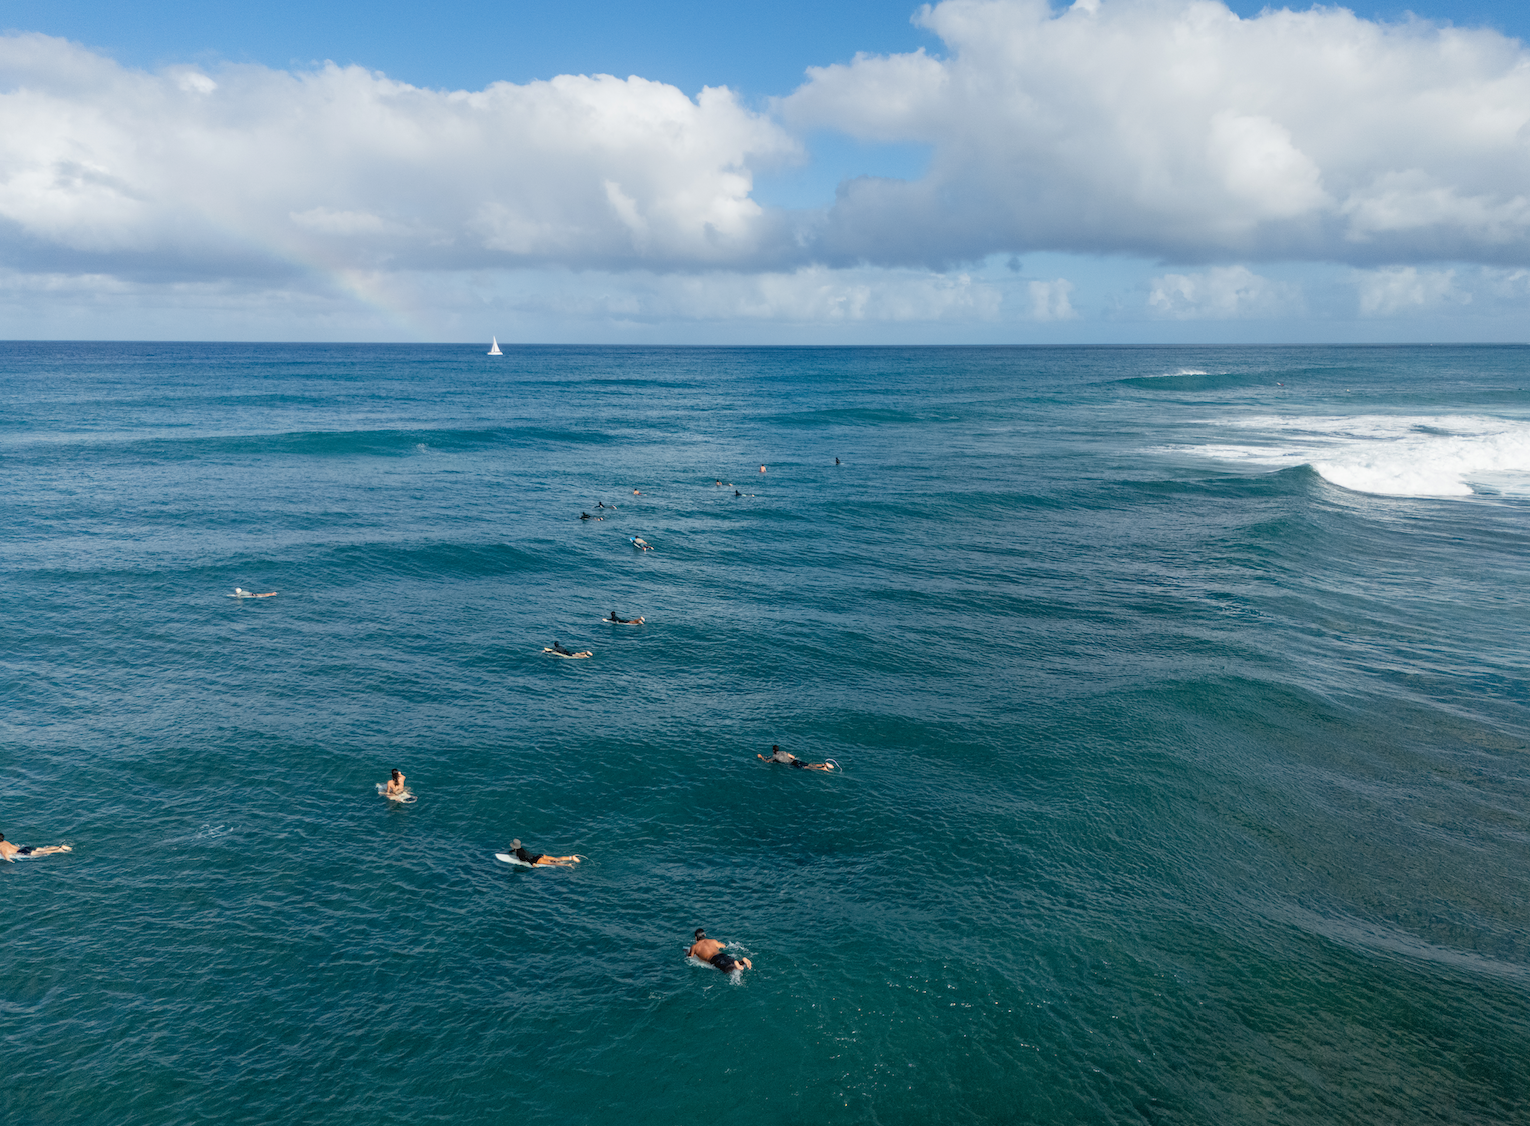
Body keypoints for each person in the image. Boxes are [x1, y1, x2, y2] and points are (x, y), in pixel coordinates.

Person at [509, 839, 581, 867]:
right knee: (556, 859)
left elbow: (526, 858)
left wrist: (532, 864)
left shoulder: (519, 852)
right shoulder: (521, 849)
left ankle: (568, 865)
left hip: (536, 860)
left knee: (554, 863)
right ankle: (571, 857)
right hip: (539, 855)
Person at [0, 833, 71, 862]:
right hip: (24, 848)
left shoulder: (1, 846)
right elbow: (14, 846)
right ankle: (59, 847)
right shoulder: (6, 842)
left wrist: (10, 860)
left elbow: (5, 854)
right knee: (44, 849)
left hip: (22, 852)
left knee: (43, 853)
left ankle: (59, 850)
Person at [758, 744, 833, 771]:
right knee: (808, 764)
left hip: (792, 764)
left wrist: (761, 757)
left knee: (806, 768)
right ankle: (823, 764)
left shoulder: (774, 757)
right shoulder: (784, 752)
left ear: (773, 750)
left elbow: (767, 761)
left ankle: (823, 768)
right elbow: (793, 757)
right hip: (795, 761)